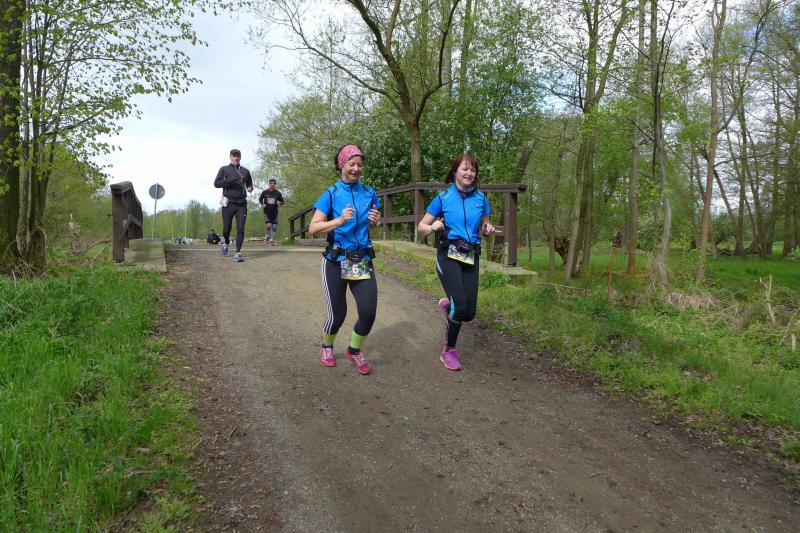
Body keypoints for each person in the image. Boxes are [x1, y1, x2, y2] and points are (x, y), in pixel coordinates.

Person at [417, 153, 495, 371]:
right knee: (460, 306)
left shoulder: (481, 199)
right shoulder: (443, 198)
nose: (469, 173)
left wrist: (487, 229)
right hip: (448, 255)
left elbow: (484, 226)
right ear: (454, 172)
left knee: (469, 313)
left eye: (473, 170)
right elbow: (421, 228)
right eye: (465, 169)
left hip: (470, 256)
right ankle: (449, 351)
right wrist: (431, 227)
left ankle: (448, 306)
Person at [308, 144, 381, 375]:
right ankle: (327, 346)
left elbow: (372, 225)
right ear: (342, 165)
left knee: (368, 312)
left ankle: (353, 350)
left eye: (360, 164)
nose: (356, 168)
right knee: (337, 315)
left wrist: (374, 222)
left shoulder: (369, 193)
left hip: (361, 261)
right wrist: (338, 221)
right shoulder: (331, 194)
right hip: (335, 260)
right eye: (352, 164)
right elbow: (313, 228)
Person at [213, 148, 253, 262]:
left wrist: (250, 188)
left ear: (240, 157)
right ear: (230, 157)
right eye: (234, 156)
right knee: (227, 229)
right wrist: (230, 180)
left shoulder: (245, 171)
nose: (236, 158)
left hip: (241, 204)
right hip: (228, 203)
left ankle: (238, 253)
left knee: (241, 228)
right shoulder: (224, 169)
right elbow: (216, 184)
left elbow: (249, 184)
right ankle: (225, 242)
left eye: (237, 156)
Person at [259, 178, 284, 245]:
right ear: (269, 184)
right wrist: (262, 204)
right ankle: (267, 235)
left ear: (275, 184)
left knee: (274, 227)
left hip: (275, 212)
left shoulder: (278, 193)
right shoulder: (265, 192)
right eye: (271, 183)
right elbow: (260, 199)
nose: (272, 185)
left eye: (273, 183)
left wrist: (280, 203)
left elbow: (282, 201)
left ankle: (271, 239)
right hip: (267, 211)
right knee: (269, 226)